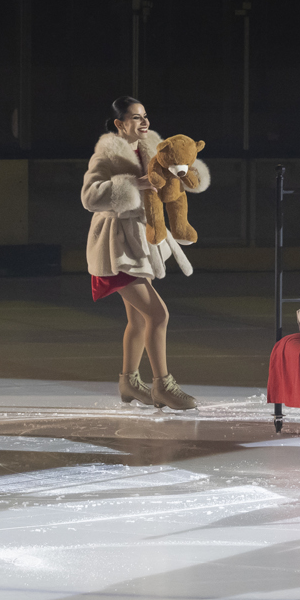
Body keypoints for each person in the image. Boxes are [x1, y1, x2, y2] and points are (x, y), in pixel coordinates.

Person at [81, 96, 200, 410]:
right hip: (116, 247)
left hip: (139, 246)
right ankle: (163, 385)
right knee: (158, 314)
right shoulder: (106, 155)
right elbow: (90, 197)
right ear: (120, 124)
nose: (144, 122)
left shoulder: (153, 150)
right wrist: (134, 184)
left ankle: (129, 382)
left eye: (145, 116)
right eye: (135, 117)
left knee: (138, 321)